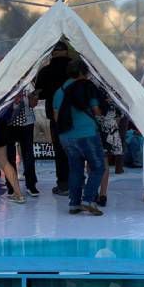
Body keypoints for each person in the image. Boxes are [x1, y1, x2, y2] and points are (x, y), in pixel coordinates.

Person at [54, 60, 105, 216]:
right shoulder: (87, 86)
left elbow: (56, 116)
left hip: (66, 136)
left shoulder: (60, 91)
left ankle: (74, 204)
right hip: (87, 133)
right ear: (84, 72)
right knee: (97, 167)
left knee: (75, 170)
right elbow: (96, 111)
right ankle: (88, 200)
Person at [34, 41, 72, 194]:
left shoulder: (46, 71)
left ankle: (63, 185)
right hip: (76, 115)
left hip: (55, 116)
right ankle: (78, 182)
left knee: (60, 151)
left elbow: (40, 93)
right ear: (67, 52)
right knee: (77, 150)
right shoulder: (74, 68)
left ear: (52, 53)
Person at [6, 88, 39, 196]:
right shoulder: (7, 82)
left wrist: (34, 97)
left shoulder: (28, 83)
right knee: (9, 155)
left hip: (27, 123)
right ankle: (11, 185)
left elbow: (33, 105)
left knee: (28, 154)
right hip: (9, 122)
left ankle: (31, 184)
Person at [95, 88, 123, 206]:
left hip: (94, 130)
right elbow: (119, 115)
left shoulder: (93, 89)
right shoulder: (114, 92)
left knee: (92, 162)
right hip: (109, 131)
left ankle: (94, 191)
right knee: (105, 164)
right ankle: (103, 194)